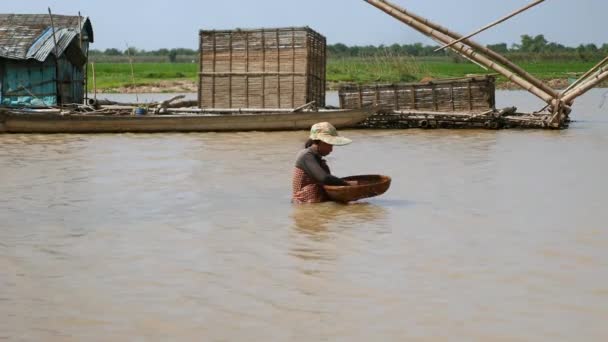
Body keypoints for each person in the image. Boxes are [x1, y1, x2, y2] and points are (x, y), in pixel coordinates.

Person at [292, 122, 354, 204]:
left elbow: (328, 184)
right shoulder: (306, 155)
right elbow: (325, 178)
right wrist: (347, 183)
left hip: (316, 202)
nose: (331, 149)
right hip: (306, 205)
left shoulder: (317, 158)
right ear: (320, 142)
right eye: (330, 145)